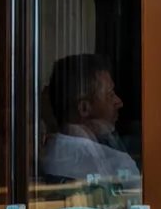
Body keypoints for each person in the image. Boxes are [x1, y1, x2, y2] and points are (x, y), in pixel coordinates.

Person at [40, 52, 141, 189]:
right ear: (84, 108)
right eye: (110, 94)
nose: (119, 102)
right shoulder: (115, 162)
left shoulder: (50, 153)